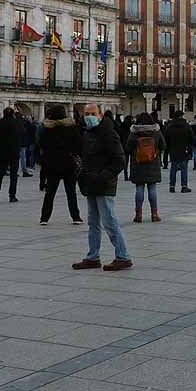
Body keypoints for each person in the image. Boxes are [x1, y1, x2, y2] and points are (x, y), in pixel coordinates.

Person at [73, 104, 131, 270]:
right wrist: (81, 173)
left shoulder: (109, 134)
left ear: (100, 115)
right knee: (93, 222)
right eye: (86, 114)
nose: (89, 117)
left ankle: (123, 256)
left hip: (104, 184)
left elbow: (119, 160)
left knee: (109, 221)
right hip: (90, 183)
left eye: (92, 114)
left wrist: (103, 176)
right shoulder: (87, 134)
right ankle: (93, 256)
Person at [37, 105, 83, 226]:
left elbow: (41, 144)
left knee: (50, 192)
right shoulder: (71, 128)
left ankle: (44, 218)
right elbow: (78, 144)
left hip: (52, 164)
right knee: (71, 192)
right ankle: (76, 216)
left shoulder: (47, 129)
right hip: (68, 163)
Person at [126, 112, 164, 222]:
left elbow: (128, 147)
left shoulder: (134, 132)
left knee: (139, 188)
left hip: (138, 164)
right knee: (152, 188)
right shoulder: (156, 131)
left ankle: (138, 215)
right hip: (153, 163)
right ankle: (154, 214)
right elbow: (163, 145)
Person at [0, 107, 24, 203]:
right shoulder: (17, 122)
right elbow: (23, 131)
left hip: (2, 152)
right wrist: (18, 116)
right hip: (14, 152)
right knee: (13, 175)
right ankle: (12, 196)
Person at [163, 110, 193, 193]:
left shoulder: (170, 126)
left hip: (173, 149)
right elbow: (191, 138)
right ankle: (184, 186)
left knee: (173, 168)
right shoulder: (186, 126)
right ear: (181, 116)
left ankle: (172, 186)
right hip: (184, 149)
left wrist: (168, 148)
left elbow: (166, 138)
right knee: (184, 168)